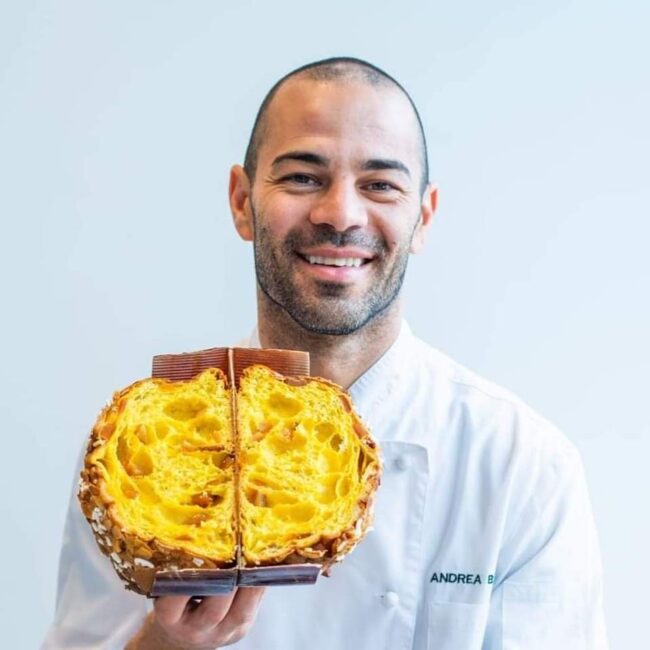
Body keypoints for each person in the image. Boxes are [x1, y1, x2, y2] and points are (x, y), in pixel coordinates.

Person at [42, 57, 608, 649]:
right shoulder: (135, 461)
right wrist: (167, 644)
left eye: (380, 185)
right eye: (302, 177)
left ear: (423, 217)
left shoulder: (521, 466)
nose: (339, 214)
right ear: (241, 201)